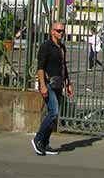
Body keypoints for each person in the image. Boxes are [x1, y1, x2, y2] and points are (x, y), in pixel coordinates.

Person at [32, 20, 74, 156]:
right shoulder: (46, 46)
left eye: (62, 31)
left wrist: (68, 83)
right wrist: (42, 85)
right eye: (58, 30)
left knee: (53, 115)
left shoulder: (62, 47)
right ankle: (38, 138)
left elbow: (63, 67)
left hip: (58, 83)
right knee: (54, 111)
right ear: (52, 31)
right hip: (48, 83)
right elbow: (40, 67)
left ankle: (45, 143)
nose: (60, 33)